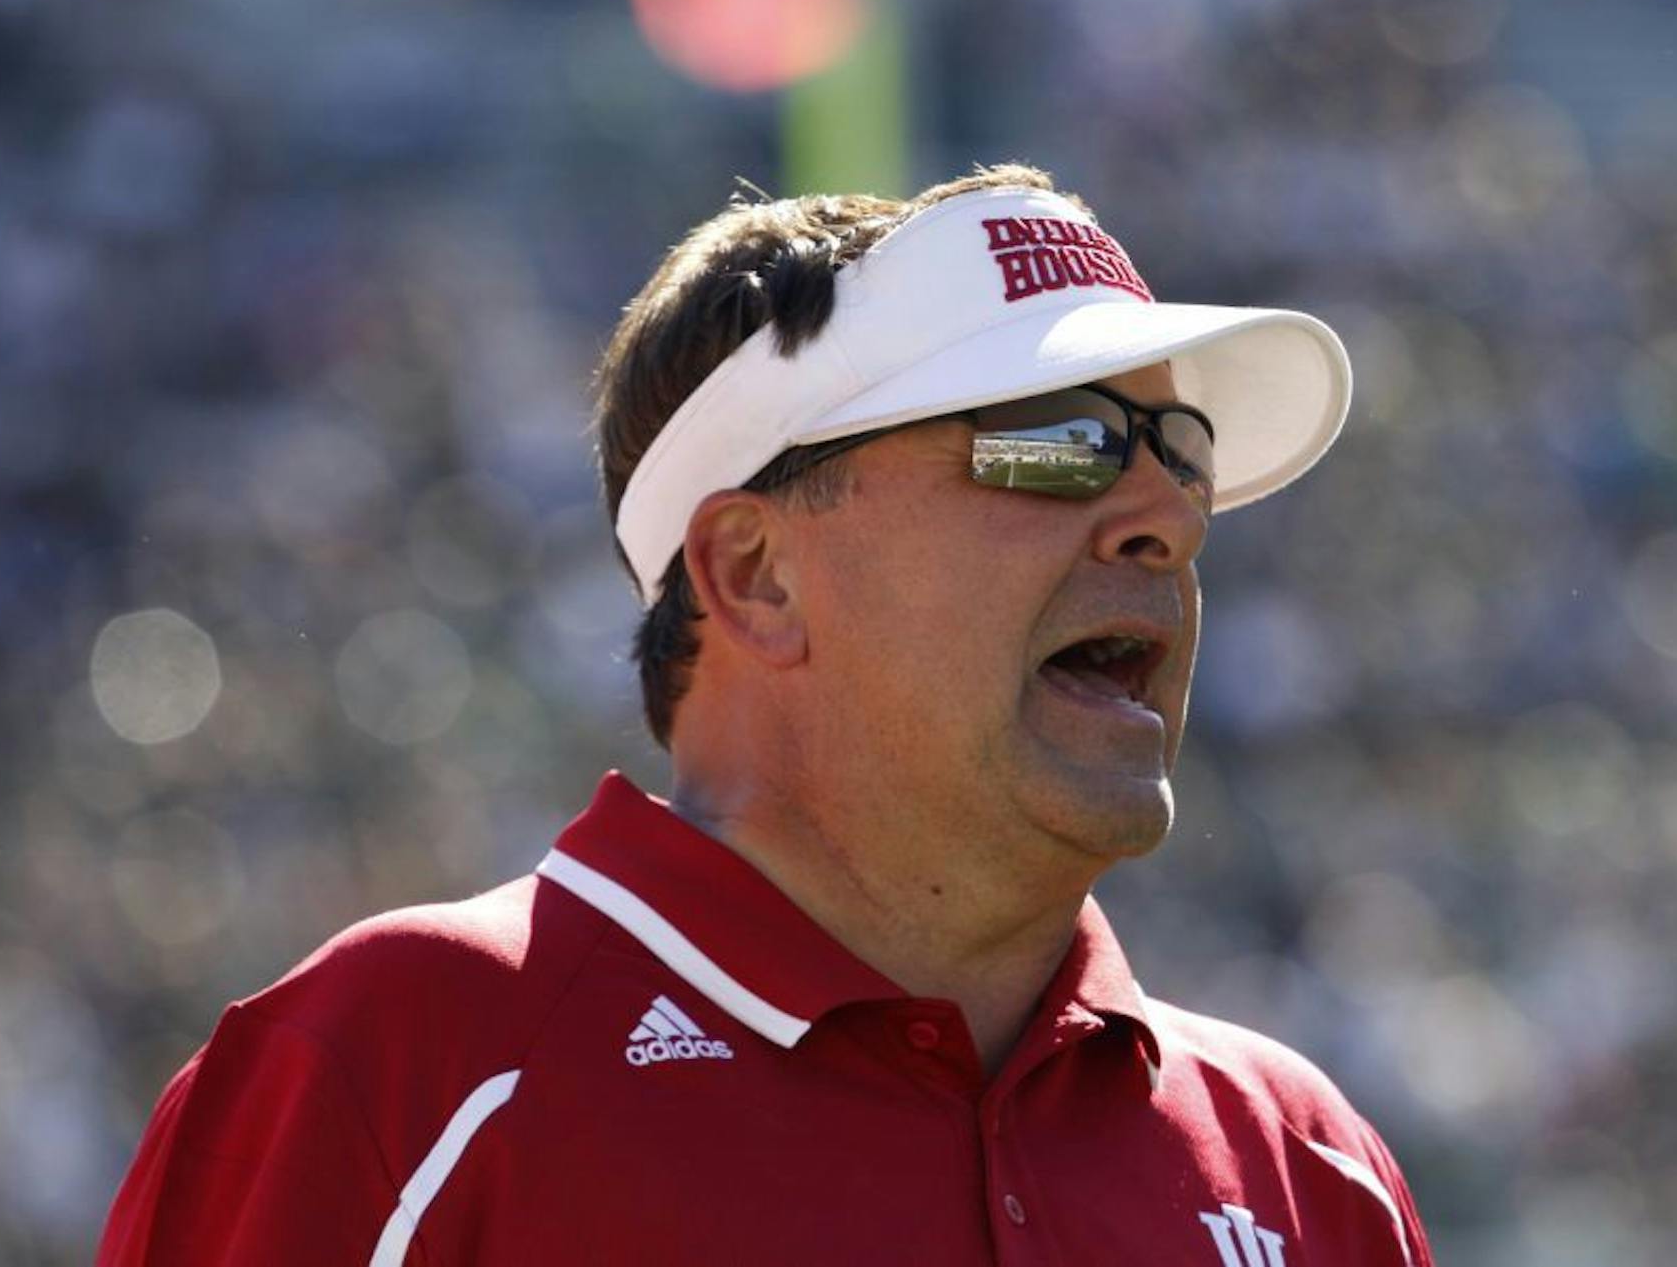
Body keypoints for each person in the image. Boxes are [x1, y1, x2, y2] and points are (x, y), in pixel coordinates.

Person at [97, 164, 1435, 1266]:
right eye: (1056, 441)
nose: (1165, 520)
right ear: (754, 572)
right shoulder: (395, 1071)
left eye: (1182, 459)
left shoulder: (1313, 1170)